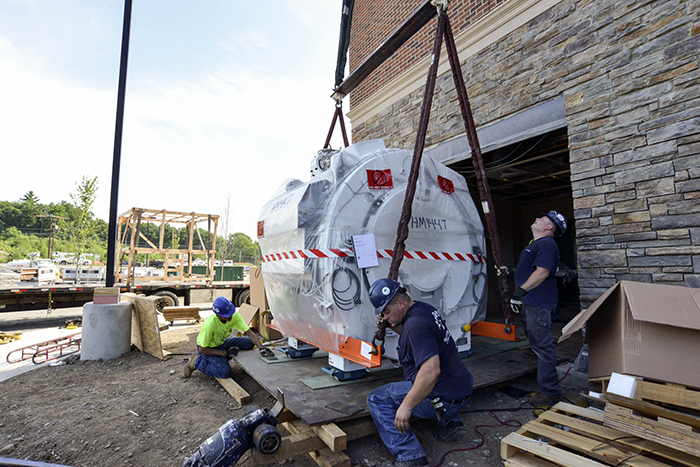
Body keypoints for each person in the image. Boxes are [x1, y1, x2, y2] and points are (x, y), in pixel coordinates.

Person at [365, 278, 473, 467]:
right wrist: (391, 323)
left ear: (400, 303)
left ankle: (411, 456)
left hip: (442, 397)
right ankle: (452, 424)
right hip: (460, 389)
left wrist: (406, 406)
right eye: (382, 313)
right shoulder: (423, 309)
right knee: (428, 379)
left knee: (377, 399)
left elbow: (431, 372)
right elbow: (413, 335)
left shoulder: (416, 325)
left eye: (387, 312)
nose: (385, 317)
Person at [500, 210, 567, 406]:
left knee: (544, 347)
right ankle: (536, 353)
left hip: (537, 302)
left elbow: (542, 273)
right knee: (536, 340)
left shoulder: (546, 244)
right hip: (532, 302)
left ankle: (551, 392)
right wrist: (510, 273)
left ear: (549, 227)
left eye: (542, 218)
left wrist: (519, 293)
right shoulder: (536, 244)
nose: (537, 218)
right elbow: (528, 271)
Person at [183, 296, 274, 379]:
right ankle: (196, 361)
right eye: (227, 316)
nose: (230, 317)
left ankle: (222, 358)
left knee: (250, 342)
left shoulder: (234, 315)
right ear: (218, 315)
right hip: (208, 349)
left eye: (231, 313)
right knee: (225, 372)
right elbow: (203, 349)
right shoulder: (210, 325)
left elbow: (249, 332)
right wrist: (224, 353)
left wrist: (261, 348)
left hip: (221, 342)